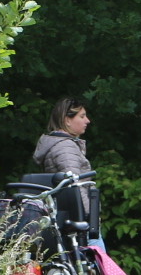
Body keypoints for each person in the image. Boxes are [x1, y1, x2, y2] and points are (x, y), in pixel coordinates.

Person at [33, 97, 102, 241]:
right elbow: (75, 185)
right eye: (82, 116)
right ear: (67, 120)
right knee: (96, 259)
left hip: (65, 217)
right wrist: (89, 218)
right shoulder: (65, 147)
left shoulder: (59, 144)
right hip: (76, 222)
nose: (87, 121)